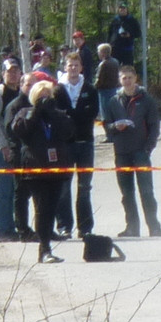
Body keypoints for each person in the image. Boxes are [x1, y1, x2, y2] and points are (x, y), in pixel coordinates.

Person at [4, 77, 74, 262]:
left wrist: (52, 112)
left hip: (57, 169)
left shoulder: (58, 114)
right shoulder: (24, 113)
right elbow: (20, 132)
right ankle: (44, 250)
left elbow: (68, 132)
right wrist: (37, 111)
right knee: (41, 208)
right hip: (36, 170)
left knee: (51, 208)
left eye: (47, 96)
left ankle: (47, 246)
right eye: (41, 96)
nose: (45, 99)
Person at [105, 64, 161, 238]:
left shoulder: (146, 100)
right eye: (124, 78)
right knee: (126, 193)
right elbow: (107, 126)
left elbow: (154, 126)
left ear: (135, 78)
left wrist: (148, 147)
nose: (127, 81)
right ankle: (132, 227)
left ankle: (154, 227)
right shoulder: (113, 101)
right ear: (119, 80)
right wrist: (116, 127)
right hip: (121, 152)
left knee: (146, 191)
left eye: (130, 78)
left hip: (141, 151)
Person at [52, 50, 98, 238]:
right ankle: (64, 225)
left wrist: (71, 115)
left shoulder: (89, 89)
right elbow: (56, 114)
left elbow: (91, 113)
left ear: (81, 68)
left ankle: (85, 227)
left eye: (76, 66)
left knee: (84, 187)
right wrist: (73, 116)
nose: (73, 69)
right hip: (65, 144)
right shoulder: (57, 89)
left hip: (85, 143)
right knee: (63, 186)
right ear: (65, 67)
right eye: (70, 65)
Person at [0, 57, 28, 241]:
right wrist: (3, 146)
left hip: (18, 148)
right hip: (0, 147)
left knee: (16, 191)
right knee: (2, 191)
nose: (13, 74)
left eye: (16, 71)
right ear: (3, 74)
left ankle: (14, 228)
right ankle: (1, 230)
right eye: (9, 71)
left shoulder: (23, 93)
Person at [107, 2, 142, 69]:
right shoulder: (115, 20)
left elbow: (138, 33)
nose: (122, 10)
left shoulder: (132, 20)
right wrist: (109, 44)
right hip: (115, 48)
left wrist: (130, 35)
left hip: (127, 48)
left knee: (128, 68)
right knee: (114, 68)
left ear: (127, 9)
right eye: (120, 8)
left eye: (124, 8)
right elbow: (110, 33)